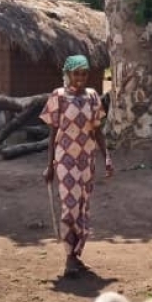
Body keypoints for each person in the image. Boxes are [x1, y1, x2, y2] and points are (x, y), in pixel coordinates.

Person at [41, 54, 113, 277]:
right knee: (70, 206)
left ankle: (76, 253)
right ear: (68, 74)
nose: (80, 78)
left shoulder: (92, 97)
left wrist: (107, 157)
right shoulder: (59, 97)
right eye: (76, 73)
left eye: (84, 73)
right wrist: (50, 165)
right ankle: (69, 258)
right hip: (65, 159)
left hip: (86, 159)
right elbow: (53, 132)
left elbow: (97, 130)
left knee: (83, 206)